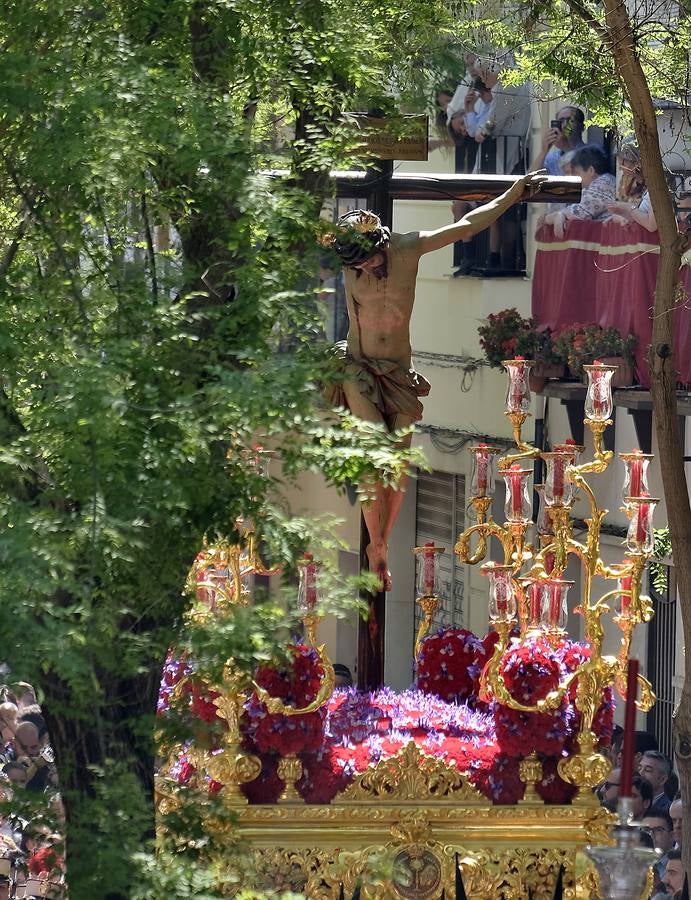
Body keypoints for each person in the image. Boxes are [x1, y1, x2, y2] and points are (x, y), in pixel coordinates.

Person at [323, 171, 548, 589]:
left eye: (371, 259)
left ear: (382, 244)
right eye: (360, 265)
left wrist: (514, 193)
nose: (369, 268)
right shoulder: (353, 270)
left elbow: (467, 225)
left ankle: (381, 545)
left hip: (398, 372)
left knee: (400, 467)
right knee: (374, 459)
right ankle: (377, 548)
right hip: (358, 368)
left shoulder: (408, 248)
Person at [540, 145, 616, 239]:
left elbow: (578, 213)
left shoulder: (604, 183)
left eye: (577, 173)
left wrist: (554, 216)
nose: (575, 178)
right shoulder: (598, 183)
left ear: (591, 171)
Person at [533, 106, 586, 176]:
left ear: (582, 127)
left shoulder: (590, 153)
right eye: (561, 121)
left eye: (571, 121)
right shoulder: (552, 157)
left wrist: (566, 147)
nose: (565, 125)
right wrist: (544, 151)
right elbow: (528, 180)